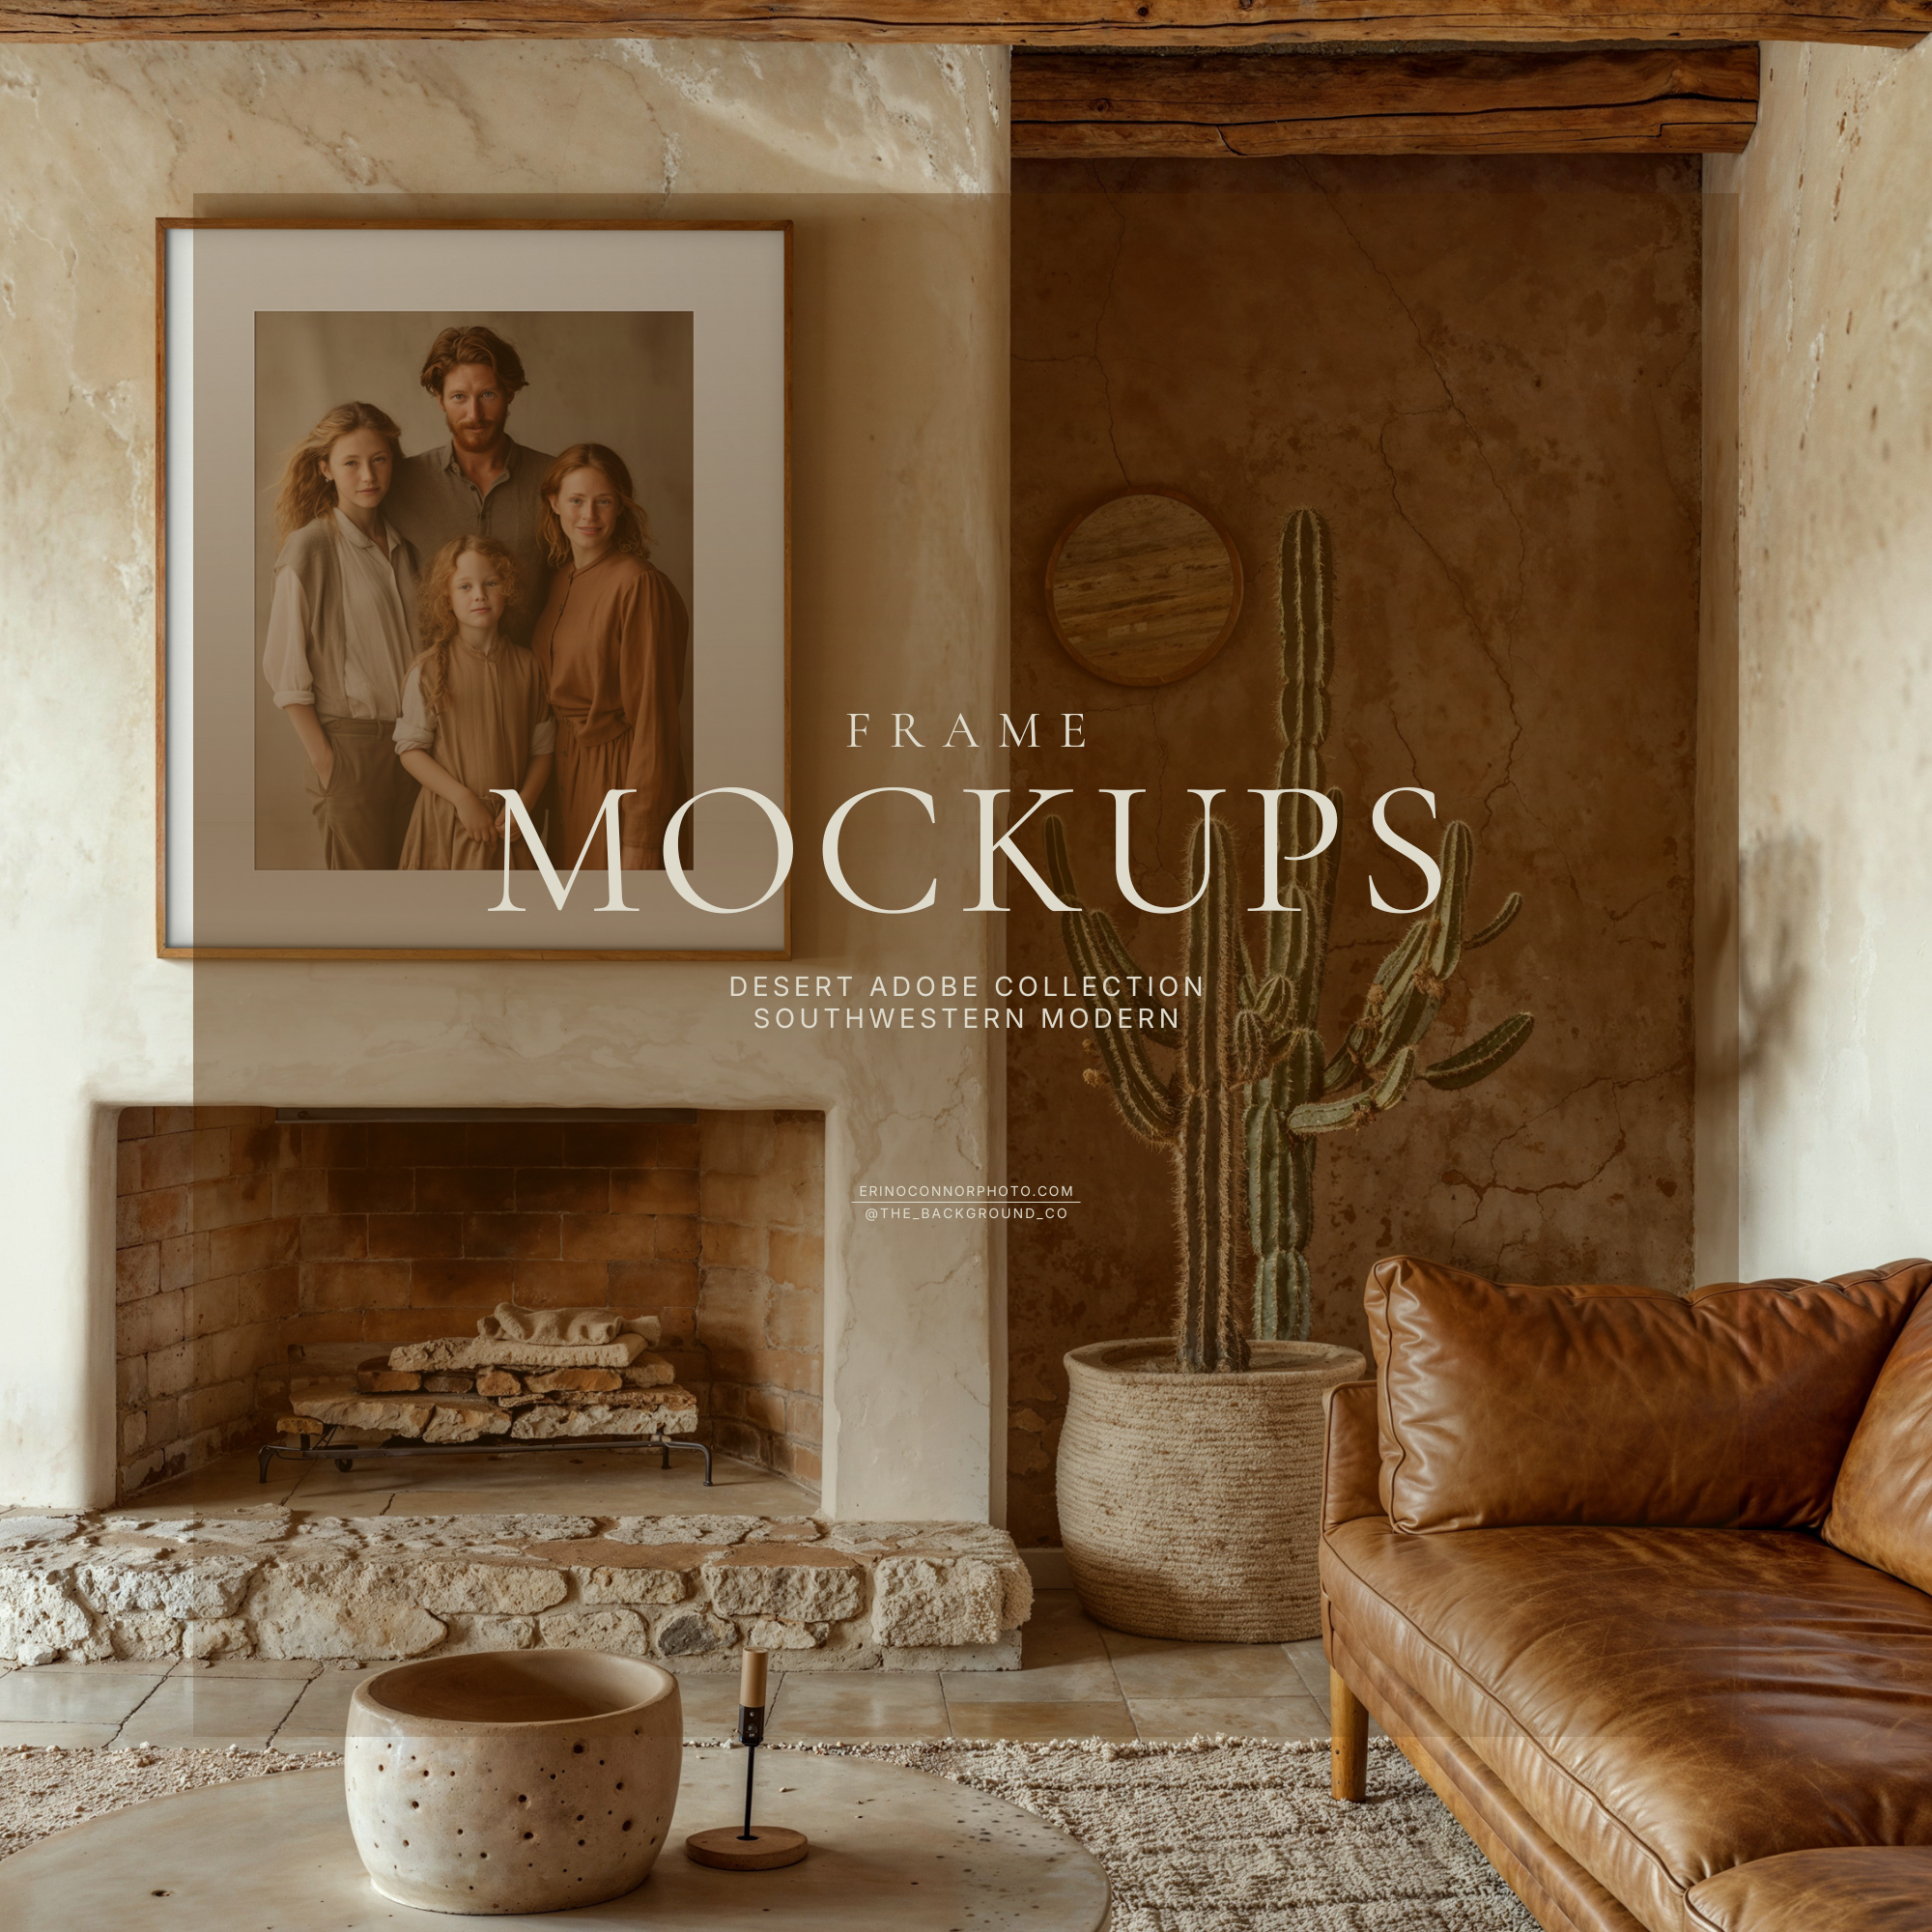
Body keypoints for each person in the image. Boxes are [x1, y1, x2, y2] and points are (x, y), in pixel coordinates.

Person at [261, 400, 420, 870]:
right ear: (325, 468)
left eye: (379, 460)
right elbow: (284, 671)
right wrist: (328, 762)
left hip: (417, 748)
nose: (368, 475)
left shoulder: (405, 545)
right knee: (365, 915)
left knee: (416, 903)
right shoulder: (310, 547)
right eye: (351, 463)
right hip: (352, 750)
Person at [531, 442, 690, 871]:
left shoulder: (639, 585)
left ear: (621, 506)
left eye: (604, 501)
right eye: (577, 501)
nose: (589, 515)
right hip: (564, 775)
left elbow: (655, 719)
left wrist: (642, 835)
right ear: (554, 502)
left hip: (618, 779)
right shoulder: (560, 578)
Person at [383, 325, 555, 640]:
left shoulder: (554, 480)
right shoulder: (400, 483)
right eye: (459, 397)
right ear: (441, 400)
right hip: (434, 682)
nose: (474, 413)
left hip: (531, 680)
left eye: (487, 394)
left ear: (509, 394)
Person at [394, 539, 556, 871]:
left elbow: (543, 749)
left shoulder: (529, 667)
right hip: (449, 821)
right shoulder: (428, 670)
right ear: (446, 599)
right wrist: (463, 799)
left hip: (510, 825)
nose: (479, 594)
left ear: (507, 589)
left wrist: (524, 802)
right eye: (465, 586)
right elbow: (410, 750)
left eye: (491, 583)